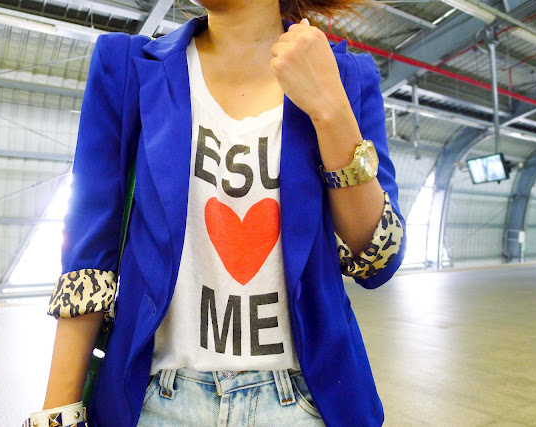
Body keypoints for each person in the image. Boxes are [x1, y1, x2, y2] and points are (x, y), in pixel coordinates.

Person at [23, 1, 406, 426]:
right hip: (155, 401)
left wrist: (330, 109)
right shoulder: (128, 68)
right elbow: (88, 264)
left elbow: (378, 259)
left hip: (304, 401)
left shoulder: (346, 75)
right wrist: (56, 417)